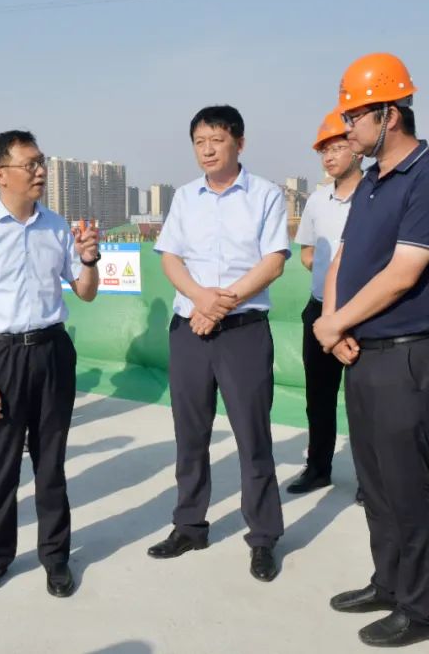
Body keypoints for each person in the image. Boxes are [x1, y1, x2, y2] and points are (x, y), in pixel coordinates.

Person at [314, 53, 429, 647]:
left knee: (409, 486)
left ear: (390, 114)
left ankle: (421, 610)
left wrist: (336, 323)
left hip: (409, 356)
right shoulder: (372, 182)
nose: (346, 128)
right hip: (363, 354)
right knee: (374, 482)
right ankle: (389, 583)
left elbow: (403, 275)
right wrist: (332, 325)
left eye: (355, 117)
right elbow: (344, 260)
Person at [0, 129, 99, 598]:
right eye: (29, 164)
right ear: (1, 174)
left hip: (52, 351)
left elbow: (85, 292)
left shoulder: (56, 226)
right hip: (2, 355)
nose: (40, 171)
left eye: (41, 162)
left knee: (51, 463)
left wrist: (90, 259)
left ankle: (56, 556)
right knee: (3, 465)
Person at [146, 105, 289, 583]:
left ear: (239, 143)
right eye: (199, 142)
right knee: (190, 435)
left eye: (217, 140)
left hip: (243, 332)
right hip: (189, 330)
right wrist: (200, 299)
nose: (207, 150)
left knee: (252, 437)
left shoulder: (266, 195)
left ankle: (263, 537)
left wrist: (218, 305)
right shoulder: (185, 197)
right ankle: (189, 526)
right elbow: (170, 258)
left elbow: (273, 263)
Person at [288, 109, 364, 502]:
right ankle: (318, 468)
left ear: (357, 149)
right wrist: (327, 279)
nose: (329, 157)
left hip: (365, 315)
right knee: (319, 398)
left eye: (336, 148)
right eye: (324, 151)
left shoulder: (377, 196)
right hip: (319, 312)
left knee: (366, 403)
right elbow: (306, 252)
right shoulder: (317, 201)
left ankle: (371, 480)